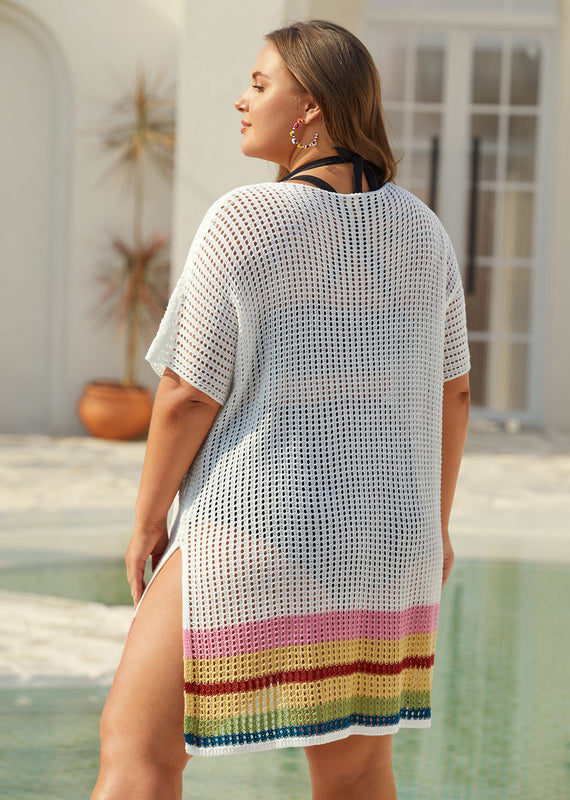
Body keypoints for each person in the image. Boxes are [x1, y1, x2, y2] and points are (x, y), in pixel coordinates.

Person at [91, 19, 470, 800]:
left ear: (311, 108)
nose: (242, 99)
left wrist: (147, 522)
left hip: (259, 525)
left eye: (260, 84)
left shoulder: (248, 218)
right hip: (388, 542)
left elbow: (187, 393)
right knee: (357, 772)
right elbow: (454, 391)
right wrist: (434, 528)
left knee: (138, 753)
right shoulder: (425, 232)